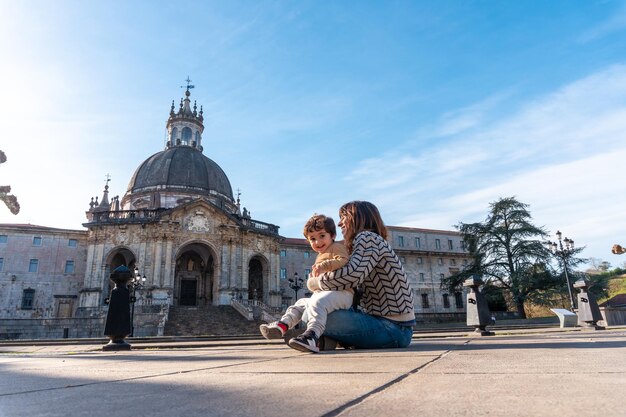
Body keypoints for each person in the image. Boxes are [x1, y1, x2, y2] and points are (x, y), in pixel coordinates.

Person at [307, 200, 415, 350]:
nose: (339, 224)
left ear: (357, 217)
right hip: (386, 324)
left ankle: (328, 338)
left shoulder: (367, 238)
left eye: (343, 217)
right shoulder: (366, 242)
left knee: (315, 312)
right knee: (316, 310)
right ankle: (328, 341)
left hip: (394, 329)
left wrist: (316, 282)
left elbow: (352, 275)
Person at [259, 214, 353, 353]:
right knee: (300, 303)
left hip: (343, 294)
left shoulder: (336, 247)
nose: (317, 242)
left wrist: (324, 266)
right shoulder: (320, 255)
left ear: (332, 235)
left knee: (318, 302)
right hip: (327, 293)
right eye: (312, 239)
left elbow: (344, 260)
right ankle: (283, 325)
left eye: (322, 236)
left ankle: (312, 336)